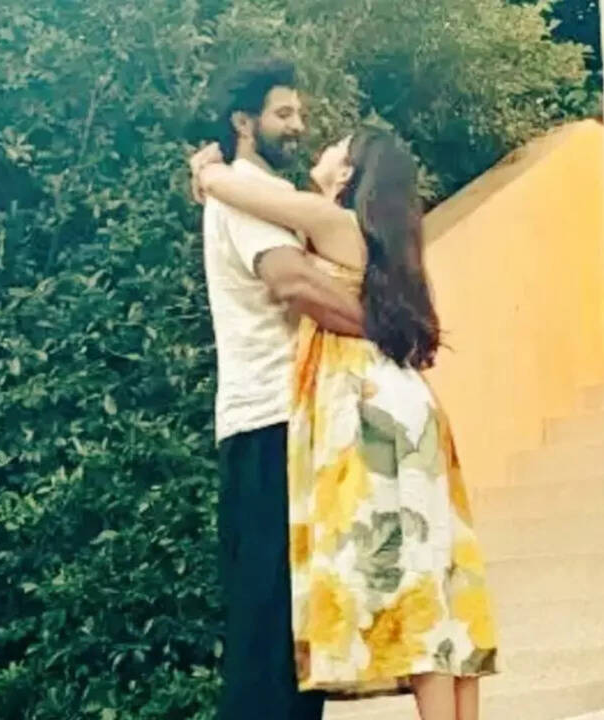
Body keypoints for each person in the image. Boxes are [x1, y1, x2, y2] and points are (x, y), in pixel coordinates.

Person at [190, 127, 500, 720]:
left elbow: (241, 191)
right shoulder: (382, 238)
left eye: (338, 145)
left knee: (415, 584)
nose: (322, 146)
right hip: (406, 402)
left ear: (348, 173)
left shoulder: (330, 223)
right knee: (437, 574)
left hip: (372, 408)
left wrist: (207, 171)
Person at [200, 58, 364, 720]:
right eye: (283, 114)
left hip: (286, 422)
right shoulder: (244, 194)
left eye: (299, 114)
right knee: (269, 631)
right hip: (268, 423)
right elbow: (292, 283)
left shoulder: (259, 193)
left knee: (293, 630)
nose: (297, 125)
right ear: (244, 123)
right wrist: (386, 325)